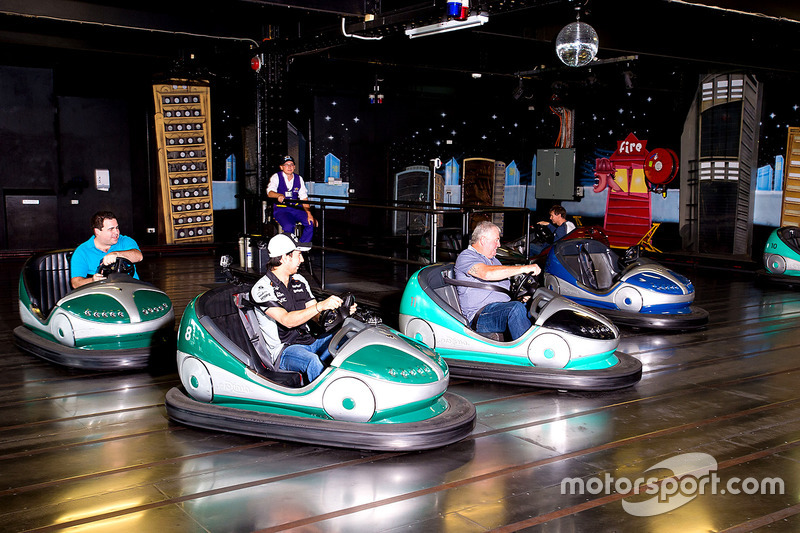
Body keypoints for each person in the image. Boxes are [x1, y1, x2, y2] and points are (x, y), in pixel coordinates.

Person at [250, 233, 355, 383]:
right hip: (285, 350)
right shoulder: (262, 289)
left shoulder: (299, 280)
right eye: (298, 255)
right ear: (284, 258)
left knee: (349, 339)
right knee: (312, 361)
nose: (302, 260)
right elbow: (287, 320)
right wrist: (320, 305)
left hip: (309, 340)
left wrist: (340, 312)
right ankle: (326, 401)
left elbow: (316, 316)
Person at [455, 221, 541, 340]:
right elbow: (486, 273)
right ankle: (528, 354)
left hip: (500, 308)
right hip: (480, 315)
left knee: (539, 306)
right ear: (483, 240)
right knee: (515, 309)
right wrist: (524, 268)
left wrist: (521, 297)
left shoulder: (493, 260)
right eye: (496, 240)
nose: (499, 245)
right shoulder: (466, 256)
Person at [70, 211, 143, 289]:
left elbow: (139, 256)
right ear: (97, 232)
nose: (116, 232)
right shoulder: (82, 251)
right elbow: (76, 283)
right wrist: (92, 280)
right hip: (102, 294)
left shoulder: (125, 241)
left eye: (117, 228)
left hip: (130, 289)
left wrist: (117, 254)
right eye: (111, 229)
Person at [266, 155, 315, 246]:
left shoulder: (299, 178)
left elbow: (304, 197)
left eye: (291, 165)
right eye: (286, 165)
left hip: (296, 208)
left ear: (294, 167)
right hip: (282, 209)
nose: (289, 167)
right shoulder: (276, 177)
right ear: (281, 167)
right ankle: (289, 249)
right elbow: (270, 193)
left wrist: (309, 214)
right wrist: (278, 195)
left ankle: (300, 247)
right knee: (289, 226)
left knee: (310, 222)